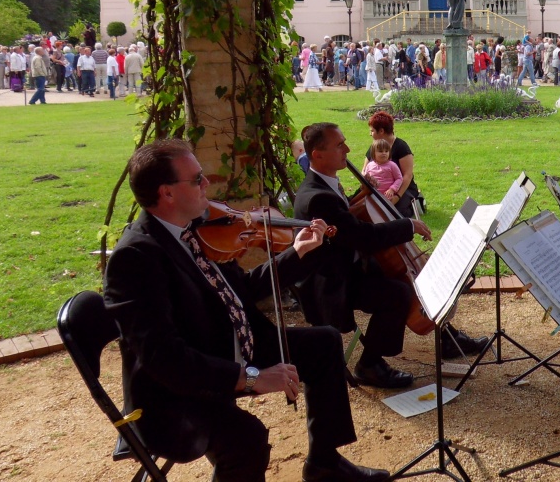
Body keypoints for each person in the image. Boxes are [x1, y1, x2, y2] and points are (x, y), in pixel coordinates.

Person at [103, 139, 387, 482]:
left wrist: (297, 254)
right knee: (247, 439)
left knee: (324, 344)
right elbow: (166, 359)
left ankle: (324, 464)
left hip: (226, 345)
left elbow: (246, 288)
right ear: (166, 193)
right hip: (176, 391)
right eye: (197, 180)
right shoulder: (135, 258)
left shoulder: (194, 231)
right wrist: (251, 378)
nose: (207, 185)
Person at [292, 123, 485, 387]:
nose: (347, 149)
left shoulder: (323, 185)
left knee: (417, 274)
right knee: (399, 292)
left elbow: (344, 220)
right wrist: (407, 225)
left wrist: (358, 196)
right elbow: (363, 237)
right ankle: (370, 364)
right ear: (317, 155)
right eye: (340, 145)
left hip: (348, 264)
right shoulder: (316, 197)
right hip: (332, 283)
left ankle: (447, 337)